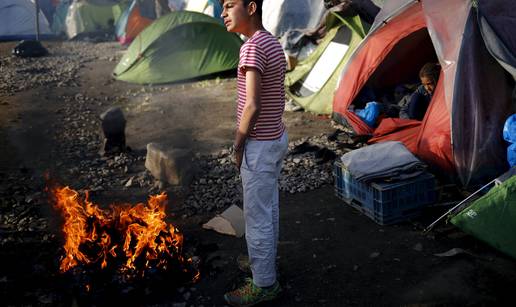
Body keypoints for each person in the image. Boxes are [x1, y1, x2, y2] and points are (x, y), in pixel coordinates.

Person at [221, 0, 288, 306]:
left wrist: (237, 145)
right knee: (269, 206)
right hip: (275, 137)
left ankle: (264, 284)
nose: (223, 13)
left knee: (257, 216)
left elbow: (252, 105)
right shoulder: (270, 42)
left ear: (250, 8)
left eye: (229, 5)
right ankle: (265, 264)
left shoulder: (251, 48)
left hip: (259, 146)